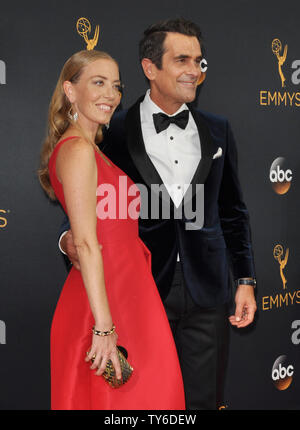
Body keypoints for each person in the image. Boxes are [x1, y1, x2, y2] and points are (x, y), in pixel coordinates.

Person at [59, 19, 257, 410]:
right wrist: (67, 239)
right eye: (181, 59)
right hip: (139, 290)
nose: (194, 70)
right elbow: (88, 200)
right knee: (145, 404)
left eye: (199, 61)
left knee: (203, 400)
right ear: (150, 68)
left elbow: (232, 210)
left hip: (208, 288)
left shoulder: (218, 130)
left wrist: (246, 278)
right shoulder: (109, 131)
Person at [38, 49, 185, 410]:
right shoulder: (76, 150)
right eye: (98, 83)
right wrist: (103, 328)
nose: (110, 95)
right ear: (70, 91)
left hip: (129, 291)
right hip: (102, 303)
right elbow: (86, 243)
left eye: (116, 86)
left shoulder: (93, 149)